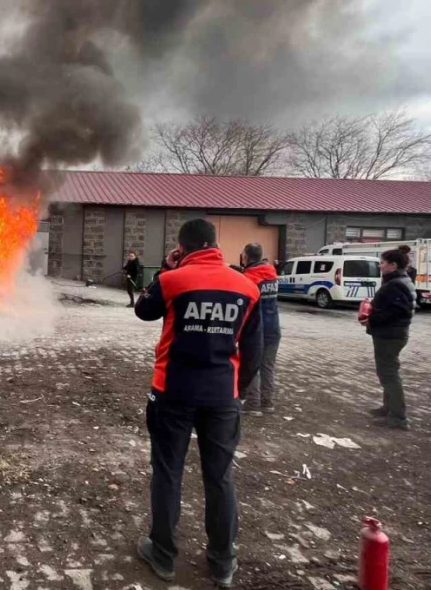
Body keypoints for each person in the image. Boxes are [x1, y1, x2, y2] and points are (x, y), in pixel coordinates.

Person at [133, 219, 262, 588]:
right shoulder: (247, 287)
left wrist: (167, 270)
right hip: (222, 397)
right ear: (215, 244)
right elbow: (253, 351)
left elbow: (144, 310)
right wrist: (236, 391)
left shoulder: (172, 281)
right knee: (220, 477)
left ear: (182, 246)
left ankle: (162, 554)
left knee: (168, 472)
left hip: (173, 392)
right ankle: (222, 562)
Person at [360, 249, 416, 430]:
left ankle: (398, 416)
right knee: (386, 371)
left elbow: (398, 311)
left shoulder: (395, 285)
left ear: (393, 265)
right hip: (391, 333)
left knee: (388, 373)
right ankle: (388, 407)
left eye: (383, 263)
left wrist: (373, 318)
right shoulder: (399, 281)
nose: (380, 266)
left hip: (390, 334)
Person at [238, 243, 281, 416]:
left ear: (246, 257)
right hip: (274, 328)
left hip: (256, 329)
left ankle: (252, 403)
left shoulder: (249, 278)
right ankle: (267, 402)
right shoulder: (272, 274)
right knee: (268, 366)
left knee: (252, 364)